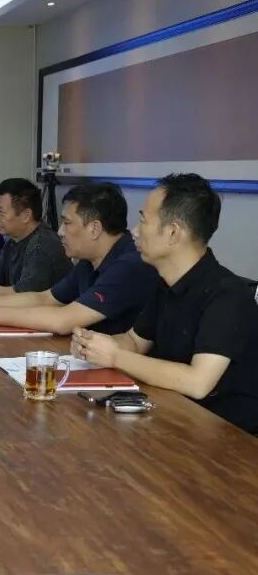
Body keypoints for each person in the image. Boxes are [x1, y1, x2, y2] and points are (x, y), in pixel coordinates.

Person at [72, 174, 258, 433]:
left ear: (172, 233)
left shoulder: (227, 295)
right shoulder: (166, 282)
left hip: (227, 436)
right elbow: (136, 341)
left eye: (143, 221)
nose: (134, 231)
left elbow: (198, 382)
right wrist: (94, 344)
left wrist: (115, 356)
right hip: (174, 416)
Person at [0, 183, 157, 335]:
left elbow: (63, 320)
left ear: (94, 228)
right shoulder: (89, 260)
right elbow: (45, 298)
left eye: (67, 223)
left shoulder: (130, 264)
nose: (60, 231)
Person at [0, 178, 71, 295]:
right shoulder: (13, 240)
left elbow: (26, 296)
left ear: (26, 216)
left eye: (2, 212)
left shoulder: (42, 243)